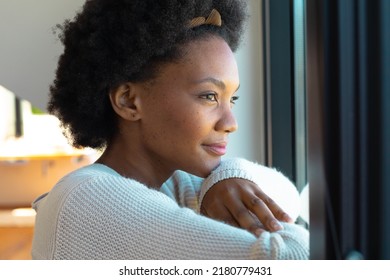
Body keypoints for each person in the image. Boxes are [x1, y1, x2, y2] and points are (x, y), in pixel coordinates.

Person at [31, 0, 309, 259]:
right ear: (128, 101)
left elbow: (288, 193)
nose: (230, 123)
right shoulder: (87, 199)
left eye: (231, 99)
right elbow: (291, 256)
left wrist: (227, 176)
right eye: (209, 96)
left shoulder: (176, 184)